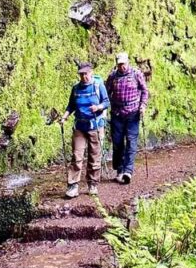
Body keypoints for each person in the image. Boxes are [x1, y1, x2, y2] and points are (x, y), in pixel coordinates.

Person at [58, 61, 109, 198]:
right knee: (77, 156)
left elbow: (106, 102)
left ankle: (92, 183)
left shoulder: (98, 86)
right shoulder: (76, 89)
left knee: (94, 155)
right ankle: (73, 185)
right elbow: (71, 106)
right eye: (81, 74)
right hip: (80, 126)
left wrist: (98, 108)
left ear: (91, 73)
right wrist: (64, 117)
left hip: (95, 126)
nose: (83, 77)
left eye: (85, 74)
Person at [106, 52, 148, 184]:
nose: (121, 67)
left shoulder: (136, 74)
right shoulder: (113, 76)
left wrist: (143, 106)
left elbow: (145, 91)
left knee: (131, 141)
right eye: (119, 64)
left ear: (127, 62)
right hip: (117, 114)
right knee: (118, 143)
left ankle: (128, 171)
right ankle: (119, 169)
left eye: (123, 64)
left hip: (133, 113)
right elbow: (106, 92)